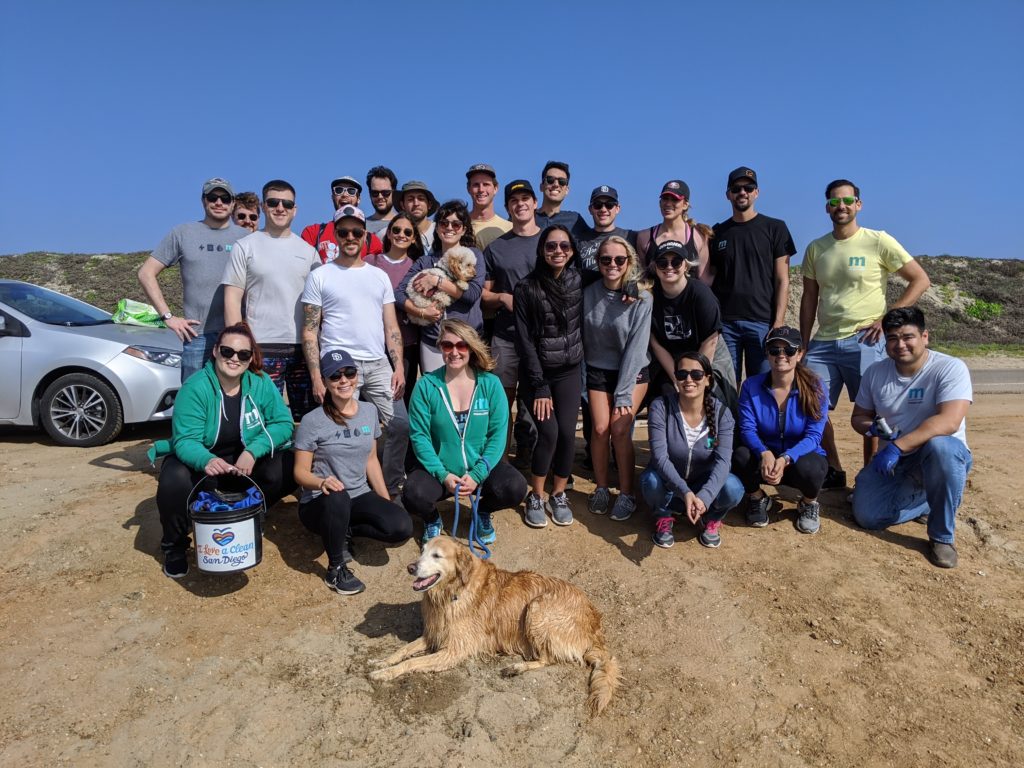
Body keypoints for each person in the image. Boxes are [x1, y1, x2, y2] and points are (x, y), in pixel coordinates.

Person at [800, 179, 931, 489]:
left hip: (867, 340)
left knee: (873, 410)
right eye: (834, 202)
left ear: (858, 204)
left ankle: (870, 473)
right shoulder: (816, 248)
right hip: (824, 341)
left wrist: (887, 319)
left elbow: (920, 279)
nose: (840, 207)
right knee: (811, 406)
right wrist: (804, 341)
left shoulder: (877, 240)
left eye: (847, 201)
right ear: (826, 207)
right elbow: (808, 298)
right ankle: (833, 467)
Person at [149, 323, 295, 578]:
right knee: (173, 480)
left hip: (244, 464)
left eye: (243, 354)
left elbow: (283, 423)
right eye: (228, 351)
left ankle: (251, 512)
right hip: (206, 464)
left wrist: (253, 450)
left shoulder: (260, 382)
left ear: (251, 359)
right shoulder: (196, 387)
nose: (234, 358)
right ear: (216, 351)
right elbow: (185, 440)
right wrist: (205, 459)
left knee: (290, 463)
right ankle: (174, 546)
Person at [851, 307, 972, 569]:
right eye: (892, 338)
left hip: (937, 456)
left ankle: (941, 535)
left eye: (908, 337)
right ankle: (929, 501)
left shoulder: (950, 368)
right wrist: (871, 427)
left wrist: (896, 446)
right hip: (896, 463)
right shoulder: (875, 373)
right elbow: (858, 416)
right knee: (867, 516)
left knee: (942, 447)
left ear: (925, 336)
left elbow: (949, 421)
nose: (900, 344)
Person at [300, 205, 408, 498]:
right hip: (340, 368)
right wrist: (316, 376)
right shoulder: (321, 275)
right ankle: (343, 494)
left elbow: (391, 326)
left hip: (377, 363)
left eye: (356, 232)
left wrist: (397, 366)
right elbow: (310, 330)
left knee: (399, 425)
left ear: (364, 235)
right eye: (344, 232)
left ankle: (389, 488)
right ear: (335, 236)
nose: (350, 237)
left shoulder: (379, 276)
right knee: (340, 433)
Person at [293, 349, 413, 595]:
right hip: (322, 501)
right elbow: (300, 472)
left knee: (401, 526)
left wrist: (385, 500)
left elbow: (371, 460)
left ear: (356, 375)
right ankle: (336, 569)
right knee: (338, 495)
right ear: (325, 382)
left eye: (349, 372)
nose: (344, 380)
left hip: (358, 494)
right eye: (335, 376)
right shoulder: (312, 420)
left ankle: (345, 529)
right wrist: (321, 482)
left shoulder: (369, 411)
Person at [403, 319, 528, 544]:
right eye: (447, 345)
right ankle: (432, 519)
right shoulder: (426, 385)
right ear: (440, 347)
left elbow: (498, 435)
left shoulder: (490, 384)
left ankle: (481, 510)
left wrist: (478, 474)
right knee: (413, 494)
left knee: (515, 487)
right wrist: (443, 475)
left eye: (461, 345)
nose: (454, 352)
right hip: (442, 471)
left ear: (471, 348)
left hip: (479, 468)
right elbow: (419, 437)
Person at [222, 179, 320, 421]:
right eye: (273, 202)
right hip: (262, 348)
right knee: (260, 419)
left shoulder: (309, 252)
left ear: (295, 209)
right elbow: (232, 299)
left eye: (287, 203)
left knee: (307, 421)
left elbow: (319, 306)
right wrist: (239, 348)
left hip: (302, 350)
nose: (280, 208)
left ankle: (300, 461)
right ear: (264, 206)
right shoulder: (244, 246)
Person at [137, 177, 248, 381]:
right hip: (197, 336)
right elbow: (146, 273)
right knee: (193, 400)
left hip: (236, 335)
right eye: (212, 197)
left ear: (233, 203)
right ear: (203, 200)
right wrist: (168, 317)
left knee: (233, 400)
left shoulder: (246, 237)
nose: (219, 202)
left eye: (225, 198)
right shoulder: (182, 233)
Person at [513, 225, 584, 528]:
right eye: (552, 246)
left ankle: (559, 493)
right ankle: (537, 495)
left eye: (565, 247)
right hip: (537, 375)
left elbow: (617, 276)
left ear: (572, 251)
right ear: (542, 249)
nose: (558, 252)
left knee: (568, 434)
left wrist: (631, 287)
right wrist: (539, 386)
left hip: (569, 371)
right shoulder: (526, 288)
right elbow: (524, 340)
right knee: (550, 433)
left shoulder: (580, 279)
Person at [640, 352, 744, 549]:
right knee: (650, 481)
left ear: (707, 379)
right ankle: (664, 516)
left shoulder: (722, 413)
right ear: (676, 378)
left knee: (734, 488)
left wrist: (704, 497)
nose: (688, 380)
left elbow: (723, 462)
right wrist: (685, 492)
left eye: (696, 375)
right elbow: (660, 457)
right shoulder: (660, 407)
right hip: (671, 488)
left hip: (703, 490)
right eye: (682, 374)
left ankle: (711, 517)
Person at [583, 236, 652, 522]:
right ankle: (601, 488)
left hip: (632, 371)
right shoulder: (587, 293)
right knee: (600, 429)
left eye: (619, 260)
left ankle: (626, 492)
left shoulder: (642, 298)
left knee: (620, 429)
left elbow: (636, 349)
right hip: (598, 369)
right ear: (598, 263)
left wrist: (623, 394)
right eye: (606, 259)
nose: (612, 265)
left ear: (629, 263)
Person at [733, 327, 829, 533]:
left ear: (800, 353)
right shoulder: (751, 385)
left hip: (797, 459)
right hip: (765, 459)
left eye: (789, 350)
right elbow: (747, 428)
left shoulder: (816, 386)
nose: (781, 355)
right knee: (740, 456)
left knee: (813, 467)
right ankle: (757, 497)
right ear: (767, 353)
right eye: (774, 350)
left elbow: (814, 435)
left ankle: (808, 503)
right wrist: (764, 452)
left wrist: (787, 457)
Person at [711, 167, 796, 380]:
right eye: (736, 188)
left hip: (762, 323)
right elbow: (709, 277)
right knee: (725, 387)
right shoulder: (717, 233)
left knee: (763, 385)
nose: (742, 192)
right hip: (725, 324)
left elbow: (782, 280)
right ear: (728, 194)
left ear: (756, 192)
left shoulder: (775, 228)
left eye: (748, 188)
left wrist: (778, 322)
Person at [482, 180, 543, 463]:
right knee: (501, 406)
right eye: (514, 200)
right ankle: (500, 464)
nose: (520, 203)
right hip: (506, 337)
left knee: (537, 406)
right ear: (507, 207)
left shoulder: (551, 241)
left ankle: (538, 466)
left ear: (535, 203)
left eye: (525, 198)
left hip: (543, 339)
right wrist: (503, 298)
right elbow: (484, 293)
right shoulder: (496, 249)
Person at [396, 200, 485, 373]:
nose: (449, 227)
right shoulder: (425, 261)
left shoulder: (473, 255)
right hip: (433, 342)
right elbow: (398, 294)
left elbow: (472, 294)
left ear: (464, 229)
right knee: (437, 395)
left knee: (467, 396)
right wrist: (421, 312)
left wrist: (437, 282)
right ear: (437, 228)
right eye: (444, 223)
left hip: (469, 340)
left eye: (456, 224)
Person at [647, 239, 736, 410]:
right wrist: (678, 378)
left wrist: (696, 378)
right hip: (672, 359)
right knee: (664, 398)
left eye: (676, 262)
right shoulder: (650, 297)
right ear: (655, 267)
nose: (669, 267)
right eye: (662, 263)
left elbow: (710, 340)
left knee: (719, 401)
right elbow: (656, 344)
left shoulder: (701, 294)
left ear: (686, 266)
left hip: (707, 354)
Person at [367, 212, 425, 407]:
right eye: (397, 230)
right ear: (389, 234)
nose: (402, 235)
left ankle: (405, 438)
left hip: (407, 343)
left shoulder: (418, 267)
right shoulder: (370, 262)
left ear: (413, 238)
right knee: (371, 400)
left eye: (408, 232)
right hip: (372, 343)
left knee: (402, 396)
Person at [635, 180, 714, 282]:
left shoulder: (699, 236)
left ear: (685, 204)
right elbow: (642, 279)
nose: (668, 203)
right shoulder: (644, 237)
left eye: (674, 200)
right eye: (665, 199)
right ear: (660, 203)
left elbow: (704, 279)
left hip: (689, 297)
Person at [300, 175, 384, 263]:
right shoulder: (313, 232)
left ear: (358, 199)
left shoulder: (371, 241)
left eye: (351, 191)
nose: (344, 194)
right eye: (338, 190)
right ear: (333, 197)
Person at [575, 185, 636, 279]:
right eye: (597, 205)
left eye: (609, 205)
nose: (603, 209)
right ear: (590, 209)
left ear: (617, 208)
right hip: (589, 293)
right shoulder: (579, 241)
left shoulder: (631, 237)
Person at [466, 163, 512, 249]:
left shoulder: (510, 228)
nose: (481, 189)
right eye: (476, 185)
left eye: (486, 184)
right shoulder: (457, 227)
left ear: (495, 188)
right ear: (468, 189)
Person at [534, 160, 584, 231]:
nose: (556, 185)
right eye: (550, 180)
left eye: (562, 181)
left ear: (567, 190)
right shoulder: (528, 217)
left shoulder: (575, 220)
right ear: (541, 186)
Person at [393, 180, 439, 251]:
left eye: (421, 199)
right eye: (410, 199)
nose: (416, 203)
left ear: (429, 204)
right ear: (402, 205)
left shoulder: (441, 231)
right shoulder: (392, 233)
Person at [364, 166, 398, 237]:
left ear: (394, 192)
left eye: (385, 193)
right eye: (375, 193)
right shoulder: (361, 226)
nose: (380, 197)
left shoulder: (405, 224)